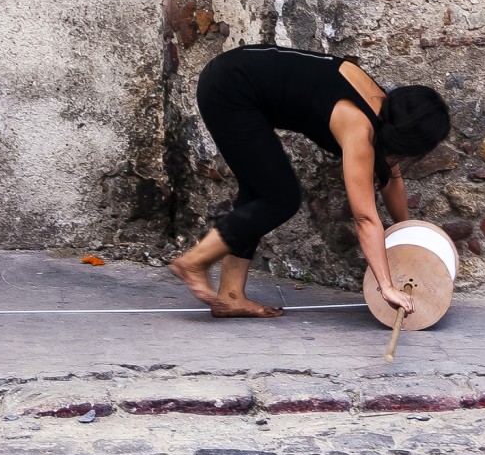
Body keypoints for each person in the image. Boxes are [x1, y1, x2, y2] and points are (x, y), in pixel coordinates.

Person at [170, 44, 451, 318]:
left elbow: (391, 176)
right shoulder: (358, 127)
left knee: (259, 191)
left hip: (233, 76)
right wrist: (386, 287)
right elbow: (365, 218)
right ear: (408, 139)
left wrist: (409, 238)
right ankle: (194, 262)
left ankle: (230, 296)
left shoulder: (381, 107)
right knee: (279, 199)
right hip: (229, 89)